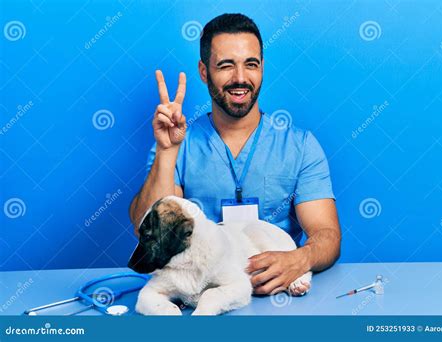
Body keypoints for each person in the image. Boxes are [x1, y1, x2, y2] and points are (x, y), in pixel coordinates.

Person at [129, 13, 341, 295]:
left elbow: (327, 235)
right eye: (226, 66)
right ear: (204, 72)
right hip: (202, 294)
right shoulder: (178, 143)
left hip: (277, 296)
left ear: (262, 67)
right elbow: (147, 229)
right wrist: (167, 152)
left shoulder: (300, 146)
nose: (240, 78)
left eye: (250, 64)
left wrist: (299, 260)